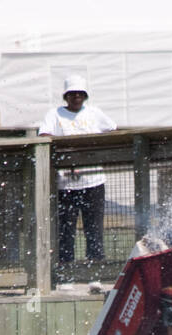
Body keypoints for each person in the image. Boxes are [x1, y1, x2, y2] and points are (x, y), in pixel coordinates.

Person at [38, 75, 117, 276]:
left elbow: (113, 130)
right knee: (65, 231)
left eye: (80, 94)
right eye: (72, 94)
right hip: (66, 184)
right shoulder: (54, 114)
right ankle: (67, 274)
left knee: (94, 229)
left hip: (93, 181)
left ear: (85, 96)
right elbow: (44, 135)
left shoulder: (94, 113)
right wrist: (67, 152)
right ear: (66, 96)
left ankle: (95, 273)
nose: (76, 98)